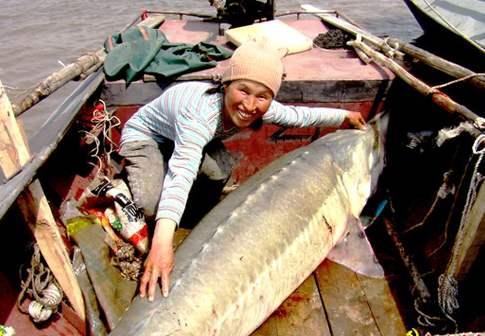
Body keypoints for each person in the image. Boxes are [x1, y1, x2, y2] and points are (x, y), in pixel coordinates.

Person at [119, 40, 366, 301]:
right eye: (243, 91)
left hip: (185, 143)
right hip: (146, 138)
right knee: (150, 205)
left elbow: (299, 116)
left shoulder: (260, 108)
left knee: (220, 171)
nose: (250, 106)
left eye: (262, 97)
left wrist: (344, 116)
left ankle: (192, 217)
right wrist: (161, 245)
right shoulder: (199, 115)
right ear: (226, 85)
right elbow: (181, 175)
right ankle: (133, 187)